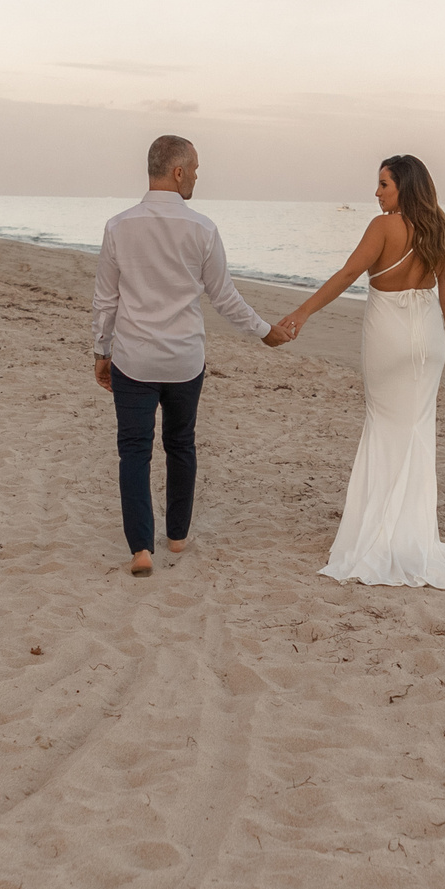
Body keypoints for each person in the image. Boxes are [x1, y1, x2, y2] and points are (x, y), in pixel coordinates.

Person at [91, 134, 291, 577]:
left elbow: (105, 300)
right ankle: (177, 536)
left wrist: (101, 351)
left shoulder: (118, 226)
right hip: (183, 361)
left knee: (134, 451)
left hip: (134, 359)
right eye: (195, 168)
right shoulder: (202, 228)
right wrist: (264, 332)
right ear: (177, 171)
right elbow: (225, 297)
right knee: (181, 444)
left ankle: (142, 548)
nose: (198, 175)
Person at [270, 155, 445, 589]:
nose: (377, 193)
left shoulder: (384, 228)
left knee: (384, 429)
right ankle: (414, 538)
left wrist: (302, 313)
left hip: (389, 341)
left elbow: (347, 274)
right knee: (417, 432)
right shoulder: (440, 231)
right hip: (429, 344)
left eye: (383, 184)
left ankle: (380, 538)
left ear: (405, 188)